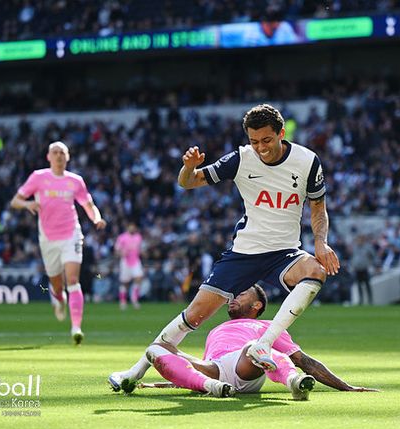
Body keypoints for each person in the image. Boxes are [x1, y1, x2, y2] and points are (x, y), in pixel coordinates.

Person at [109, 103, 340, 390]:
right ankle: (134, 372)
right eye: (254, 141)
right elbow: (188, 182)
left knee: (316, 270)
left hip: (284, 253)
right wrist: (188, 167)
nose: (260, 148)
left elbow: (318, 207)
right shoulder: (241, 159)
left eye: (267, 140)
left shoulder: (307, 161)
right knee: (194, 314)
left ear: (281, 133)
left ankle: (264, 344)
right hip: (244, 253)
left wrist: (321, 243)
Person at [135, 285, 378, 398]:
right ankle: (211, 387)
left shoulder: (269, 326)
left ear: (256, 305)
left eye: (241, 294)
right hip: (216, 370)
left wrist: (345, 387)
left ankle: (294, 382)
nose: (233, 298)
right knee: (156, 348)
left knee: (254, 347)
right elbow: (189, 368)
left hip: (247, 365)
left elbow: (303, 360)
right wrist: (162, 384)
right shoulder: (216, 330)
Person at [11, 141, 106, 344]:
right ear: (48, 157)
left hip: (72, 234)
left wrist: (96, 219)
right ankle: (59, 299)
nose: (59, 155)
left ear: (68, 157)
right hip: (48, 238)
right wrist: (28, 204)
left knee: (72, 280)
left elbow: (88, 205)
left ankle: (76, 328)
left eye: (62, 152)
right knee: (56, 283)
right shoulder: (38, 177)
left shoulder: (75, 181)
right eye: (55, 152)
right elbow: (15, 201)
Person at [115, 223, 144, 310]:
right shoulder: (122, 237)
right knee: (125, 282)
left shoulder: (138, 237)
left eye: (134, 227)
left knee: (139, 278)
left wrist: (142, 253)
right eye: (131, 227)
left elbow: (140, 248)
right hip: (125, 261)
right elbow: (117, 250)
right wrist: (121, 253)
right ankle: (123, 300)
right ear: (127, 228)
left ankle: (134, 299)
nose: (132, 228)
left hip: (136, 260)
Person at [349, 235, 377, 305]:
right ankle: (361, 300)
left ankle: (370, 300)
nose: (358, 241)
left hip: (365, 268)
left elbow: (373, 256)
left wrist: (372, 264)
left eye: (360, 240)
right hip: (357, 269)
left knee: (367, 284)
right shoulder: (355, 248)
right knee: (359, 285)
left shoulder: (368, 247)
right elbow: (353, 257)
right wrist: (353, 265)